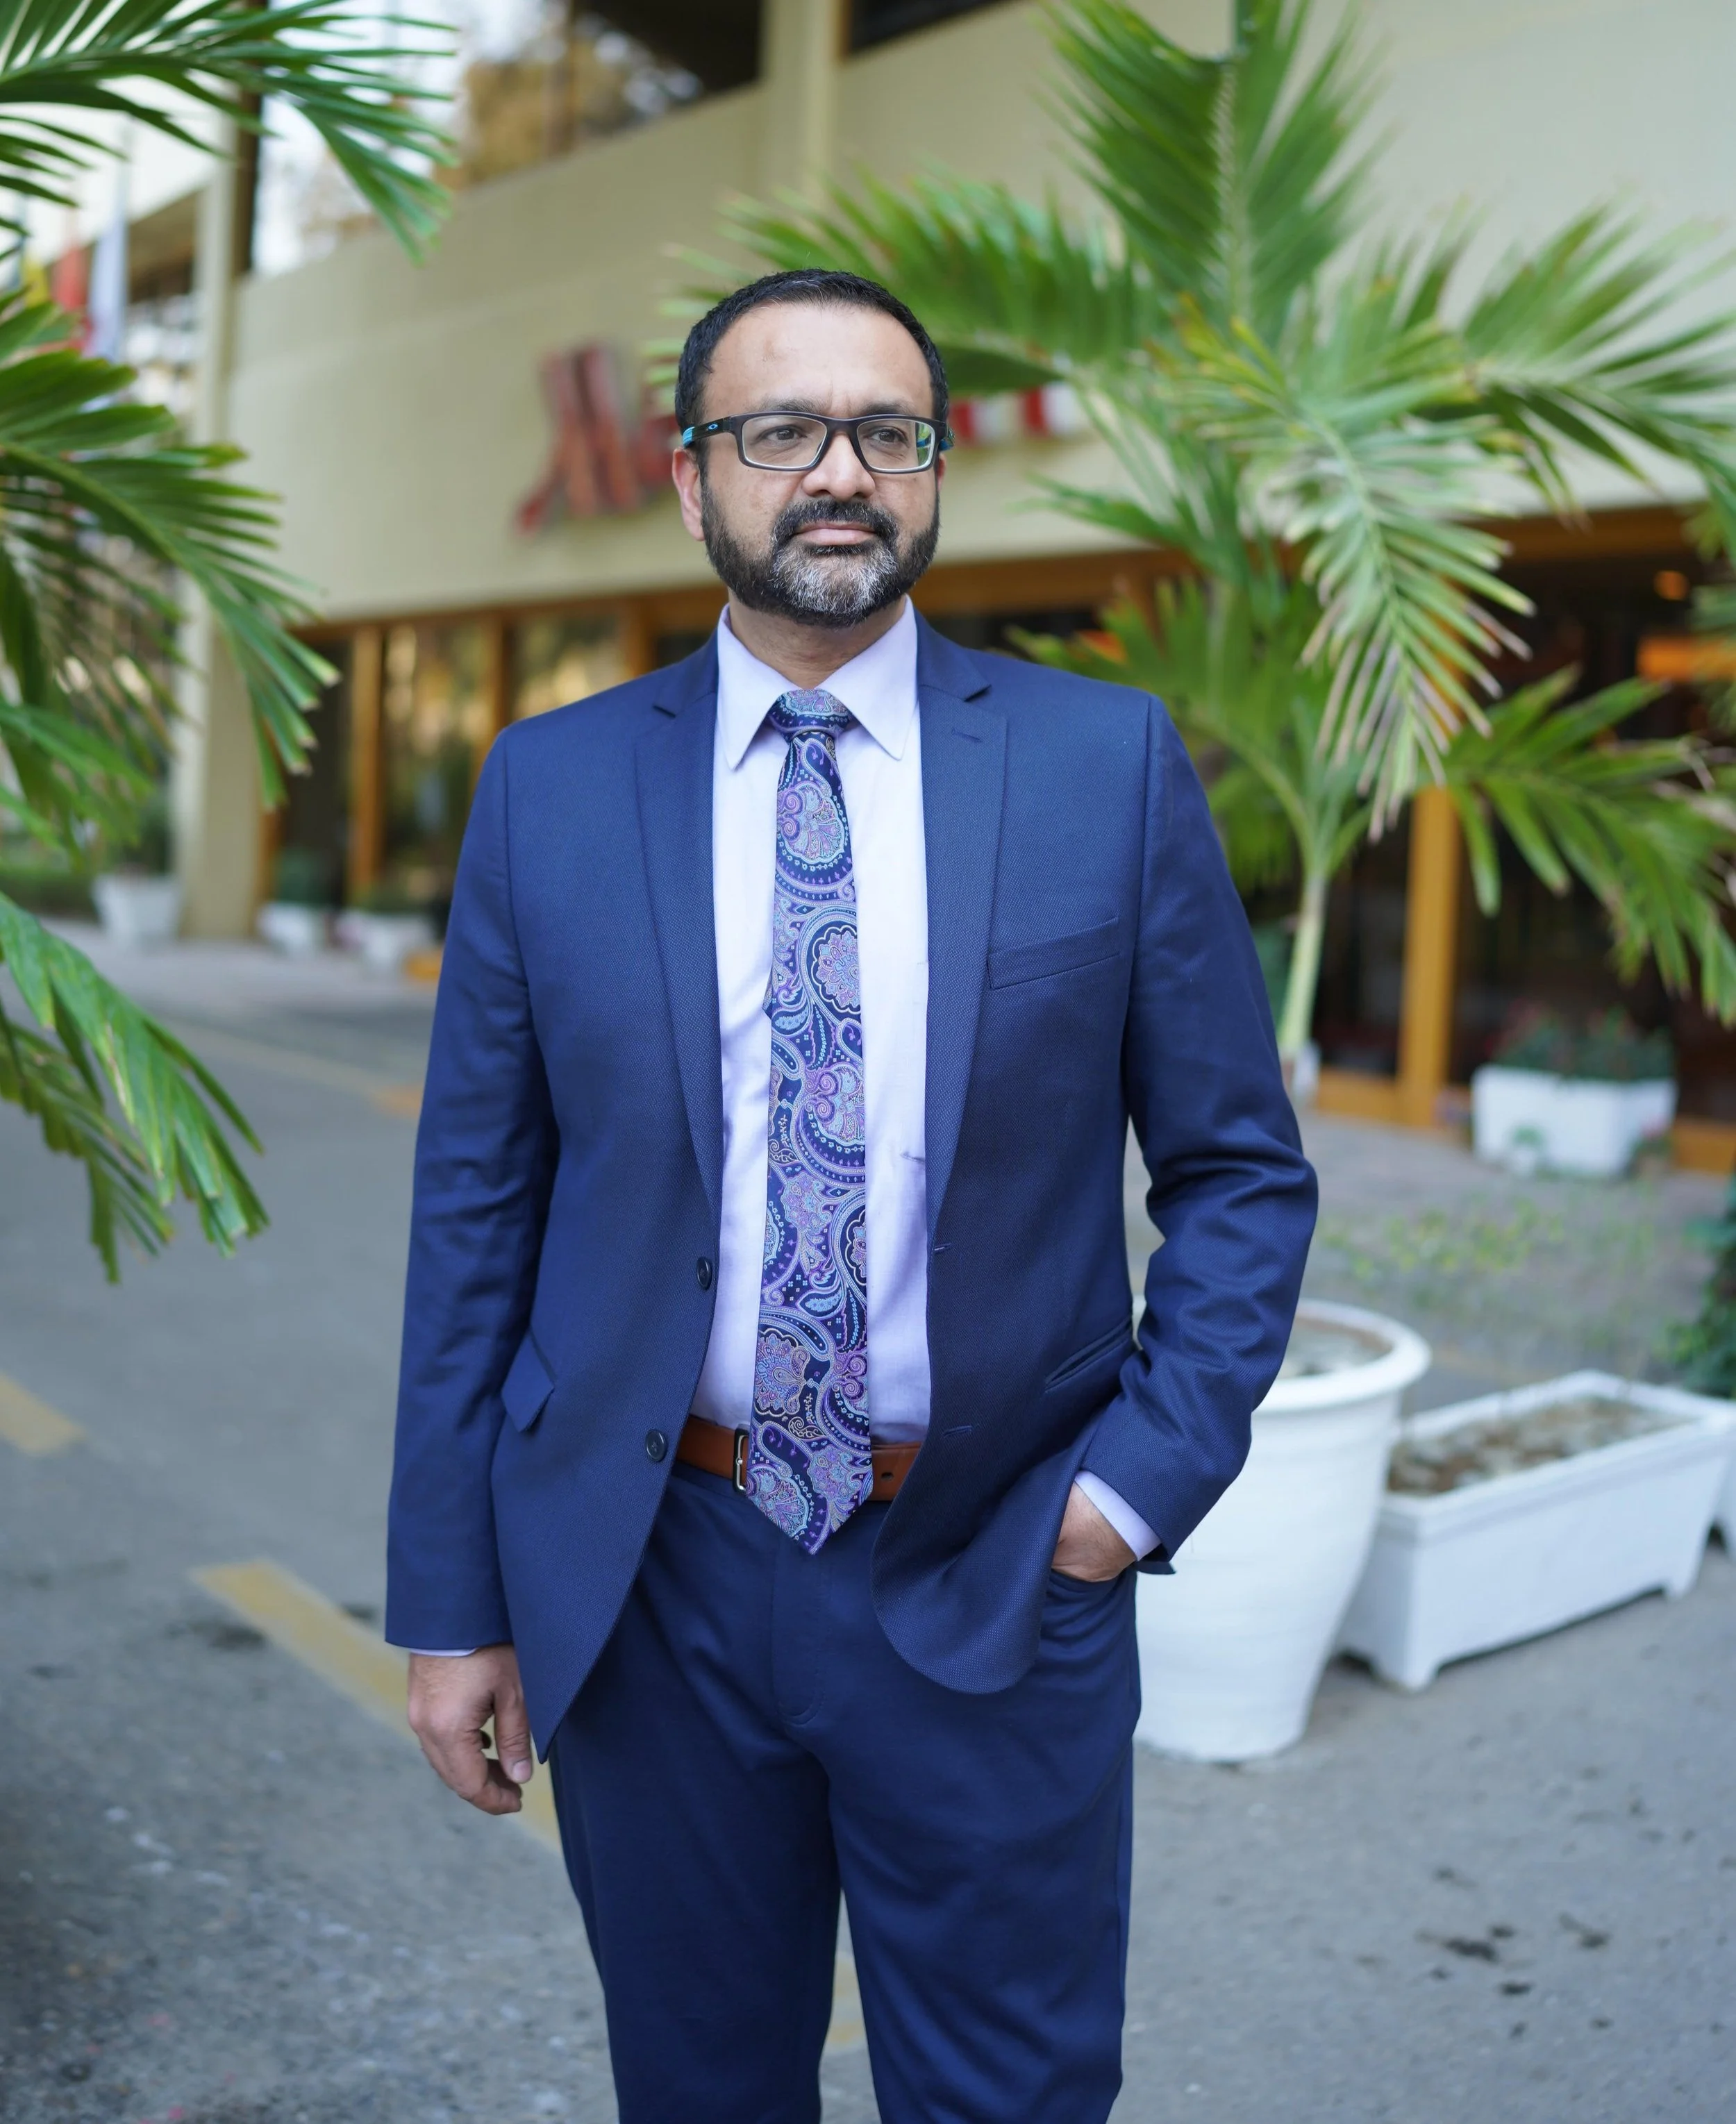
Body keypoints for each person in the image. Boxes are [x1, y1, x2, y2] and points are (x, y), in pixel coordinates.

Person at [387, 267, 1317, 2124]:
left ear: (932, 471)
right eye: (781, 431)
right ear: (692, 479)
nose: (839, 473)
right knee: (703, 2087)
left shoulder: (1098, 768)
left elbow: (1236, 1173)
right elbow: (475, 1217)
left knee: (1009, 2095)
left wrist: (1125, 1500)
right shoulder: (549, 789)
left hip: (992, 1561)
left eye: (887, 433)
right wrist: (449, 1601)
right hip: (656, 1575)